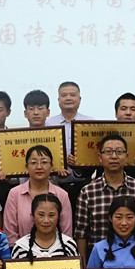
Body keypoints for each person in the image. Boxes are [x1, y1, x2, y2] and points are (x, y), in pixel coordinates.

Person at [75, 134, 135, 258]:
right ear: (100, 157)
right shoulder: (87, 192)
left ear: (127, 157)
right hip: (98, 262)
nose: (114, 156)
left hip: (134, 260)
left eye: (119, 152)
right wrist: (83, 266)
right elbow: (81, 233)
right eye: (108, 152)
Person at [4, 145, 73, 248]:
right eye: (33, 162)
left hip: (57, 253)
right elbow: (10, 233)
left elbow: (66, 232)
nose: (39, 167)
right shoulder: (15, 193)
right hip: (21, 253)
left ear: (51, 166)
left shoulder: (61, 195)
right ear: (26, 167)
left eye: (44, 162)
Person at [45, 81, 95, 209]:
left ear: (79, 99)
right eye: (64, 95)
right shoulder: (48, 124)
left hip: (84, 186)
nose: (68, 98)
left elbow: (94, 155)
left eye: (72, 95)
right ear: (58, 100)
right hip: (55, 186)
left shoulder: (90, 123)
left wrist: (79, 167)